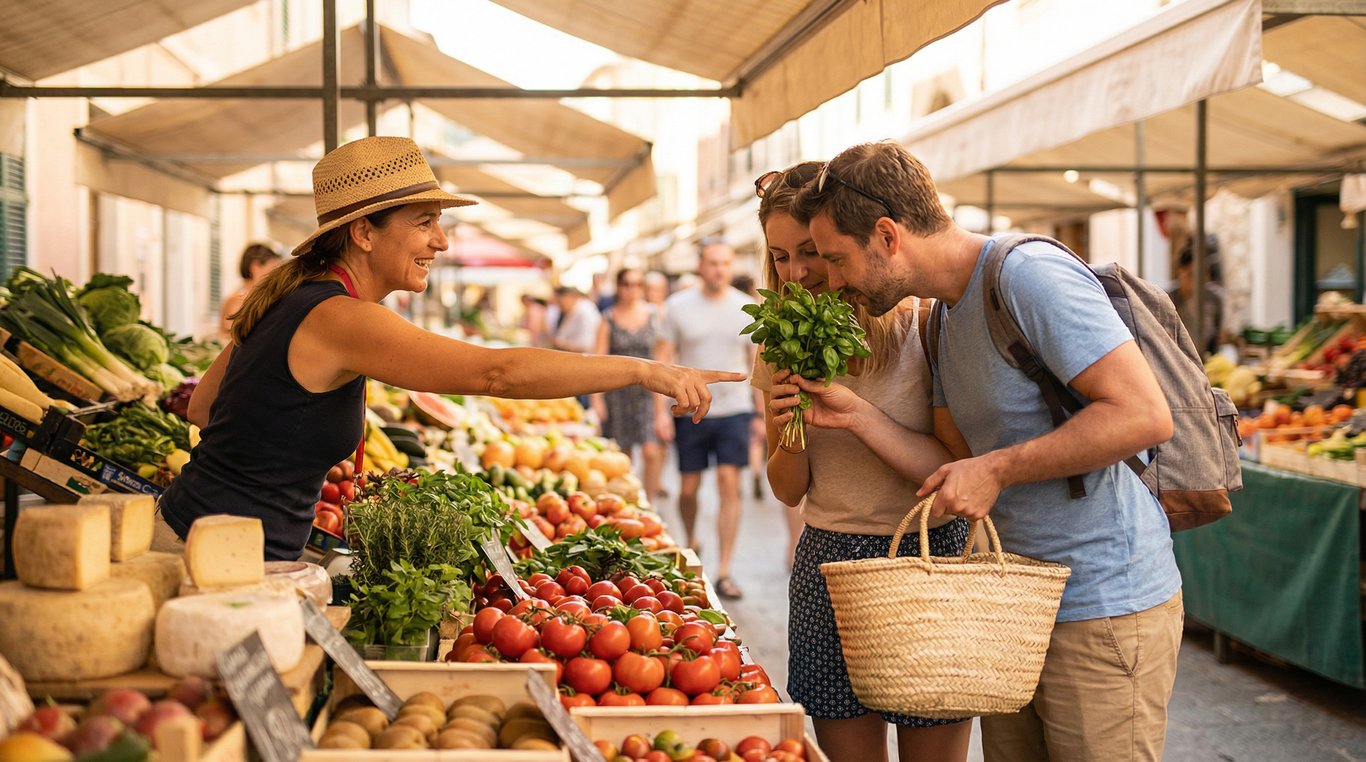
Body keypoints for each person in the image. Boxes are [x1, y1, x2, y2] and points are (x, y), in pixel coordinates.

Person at [153, 136, 744, 561]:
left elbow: (205, 409)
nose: (439, 241)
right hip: (216, 561)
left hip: (206, 536)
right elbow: (498, 373)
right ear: (363, 232)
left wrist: (286, 443)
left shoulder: (295, 296)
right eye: (424, 222)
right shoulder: (340, 316)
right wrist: (641, 369)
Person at [791, 141, 1180, 762]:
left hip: (1098, 604)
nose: (832, 280)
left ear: (887, 235)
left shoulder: (1027, 276)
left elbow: (1142, 414)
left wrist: (999, 468)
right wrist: (858, 417)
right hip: (1007, 617)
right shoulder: (946, 315)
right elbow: (953, 465)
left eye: (838, 259)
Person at [753, 162, 973, 762]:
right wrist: (791, 434)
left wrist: (855, 416)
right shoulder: (778, 341)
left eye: (810, 252)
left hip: (928, 558)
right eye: (778, 257)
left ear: (839, 243)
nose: (796, 272)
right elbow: (787, 489)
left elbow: (955, 470)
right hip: (829, 559)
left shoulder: (926, 324)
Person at [655, 242, 763, 599]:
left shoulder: (745, 308)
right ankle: (692, 542)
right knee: (688, 490)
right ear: (700, 265)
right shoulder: (677, 306)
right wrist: (661, 413)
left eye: (726, 263)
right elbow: (663, 363)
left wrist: (762, 416)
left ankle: (725, 570)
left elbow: (757, 365)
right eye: (713, 263)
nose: (719, 269)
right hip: (690, 408)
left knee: (729, 486)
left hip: (734, 409)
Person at [592, 268, 666, 500]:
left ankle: (649, 501)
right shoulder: (608, 318)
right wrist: (597, 400)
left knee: (651, 450)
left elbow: (664, 357)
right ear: (618, 286)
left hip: (649, 392)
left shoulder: (656, 315)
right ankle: (628, 499)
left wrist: (663, 407)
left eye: (636, 284)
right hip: (619, 392)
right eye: (626, 284)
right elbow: (599, 362)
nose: (631, 289)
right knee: (622, 455)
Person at [730, 273, 770, 502]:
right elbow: (755, 358)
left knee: (752, 437)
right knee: (757, 436)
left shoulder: (736, 313)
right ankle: (756, 471)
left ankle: (754, 472)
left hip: (738, 384)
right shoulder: (752, 313)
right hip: (749, 383)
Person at [1169, 235, 1223, 354]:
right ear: (1180, 272)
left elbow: (1216, 338)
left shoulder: (1214, 299)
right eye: (1192, 275)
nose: (1198, 282)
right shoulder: (1167, 299)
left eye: (1203, 276)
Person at [220, 243, 284, 336]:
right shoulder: (237, 302)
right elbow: (231, 342)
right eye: (273, 268)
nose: (276, 276)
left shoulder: (261, 298)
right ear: (255, 267)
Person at [552, 286, 601, 354]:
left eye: (560, 302)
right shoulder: (573, 310)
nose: (558, 306)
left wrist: (563, 344)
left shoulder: (585, 311)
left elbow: (588, 345)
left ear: (571, 297)